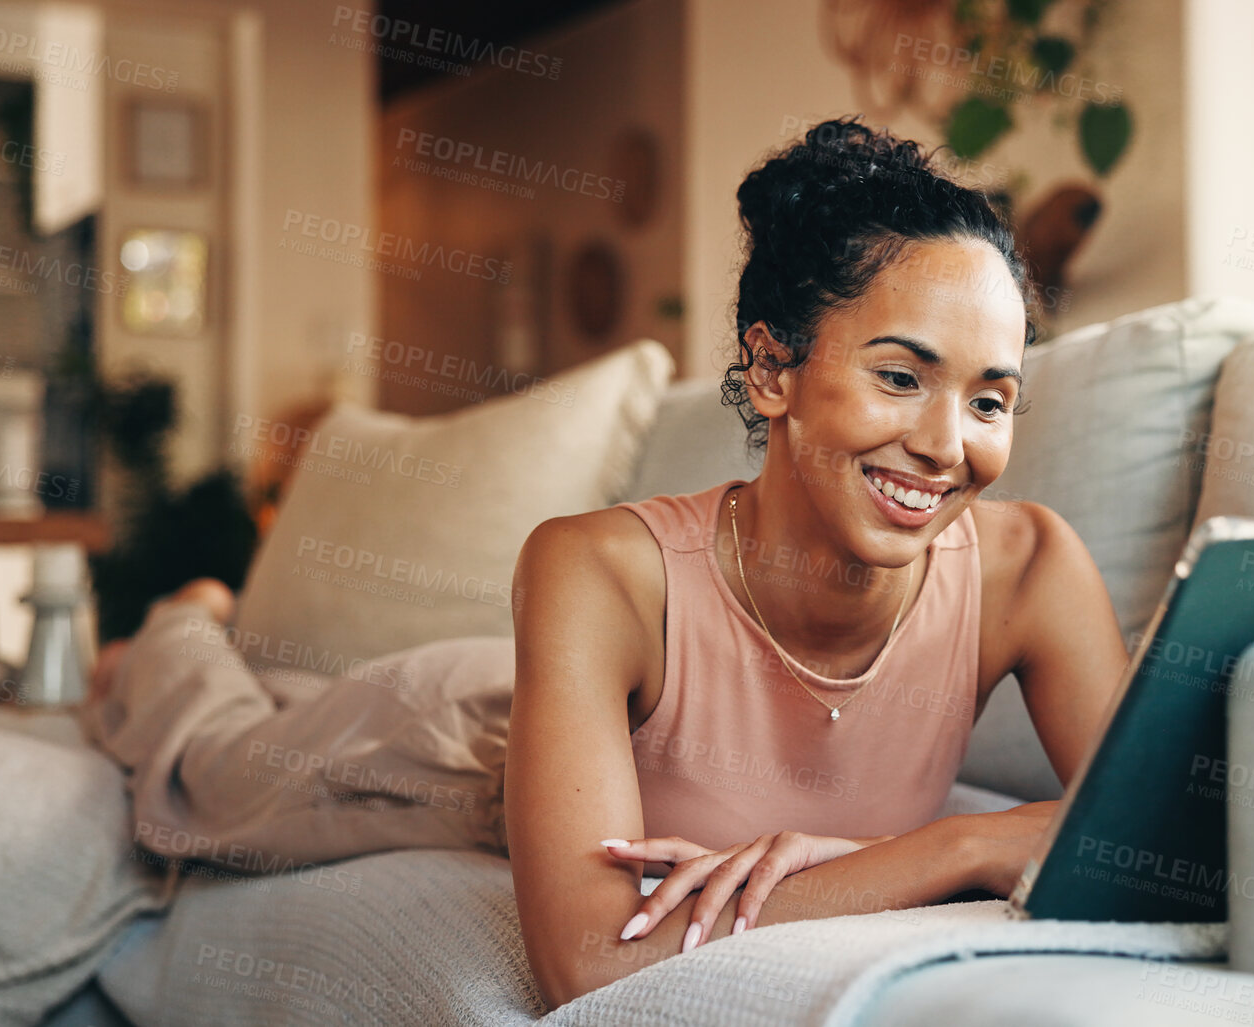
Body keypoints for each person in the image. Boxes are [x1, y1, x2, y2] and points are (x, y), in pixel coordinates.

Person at [82, 116, 1130, 1010]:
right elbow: (586, 957)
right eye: (901, 377)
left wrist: (901, 858)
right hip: (455, 746)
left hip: (571, 720)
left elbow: (1167, 846)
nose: (950, 444)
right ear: (772, 368)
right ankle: (175, 626)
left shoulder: (1029, 569)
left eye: (991, 399)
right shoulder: (595, 569)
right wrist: (957, 847)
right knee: (209, 764)